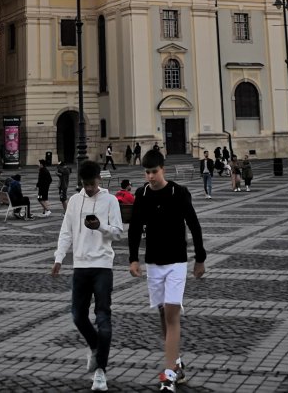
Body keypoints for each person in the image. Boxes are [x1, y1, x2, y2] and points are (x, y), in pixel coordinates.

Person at [128, 150, 206, 393]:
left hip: (176, 262)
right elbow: (134, 228)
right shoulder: (141, 194)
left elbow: (194, 224)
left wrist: (200, 258)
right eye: (147, 172)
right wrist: (133, 259)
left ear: (163, 170)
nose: (150, 176)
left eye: (154, 171)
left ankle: (168, 375)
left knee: (172, 315)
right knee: (163, 315)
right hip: (154, 263)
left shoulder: (178, 193)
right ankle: (177, 362)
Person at [53, 159, 123, 392]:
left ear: (99, 180)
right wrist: (59, 258)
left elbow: (118, 233)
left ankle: (100, 371)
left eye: (92, 184)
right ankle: (95, 347)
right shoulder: (74, 201)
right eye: (85, 185)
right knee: (77, 316)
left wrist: (100, 227)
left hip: (103, 265)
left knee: (103, 318)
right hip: (81, 266)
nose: (89, 188)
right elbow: (66, 231)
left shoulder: (110, 200)